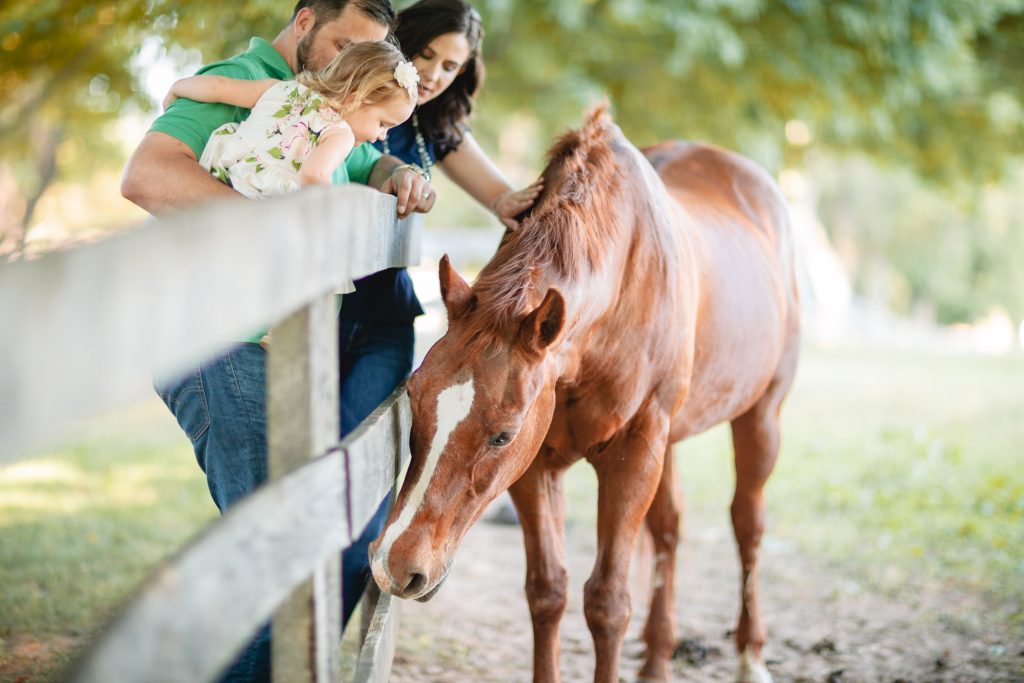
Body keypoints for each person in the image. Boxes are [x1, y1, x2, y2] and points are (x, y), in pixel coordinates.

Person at [121, 2, 435, 681]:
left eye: (366, 51)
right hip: (214, 336)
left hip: (267, 348)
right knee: (277, 559)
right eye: (343, 41)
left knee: (287, 552)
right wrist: (280, 238)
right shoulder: (251, 77)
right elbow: (146, 174)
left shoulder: (329, 107)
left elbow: (357, 159)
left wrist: (390, 174)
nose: (348, 60)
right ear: (303, 22)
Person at [338, 0, 538, 624]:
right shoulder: (352, 103)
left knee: (368, 477)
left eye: (451, 65)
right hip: (325, 314)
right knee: (327, 475)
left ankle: (327, 631)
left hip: (387, 318)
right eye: (424, 55)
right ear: (398, 43)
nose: (433, 74)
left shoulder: (435, 126)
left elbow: (508, 200)